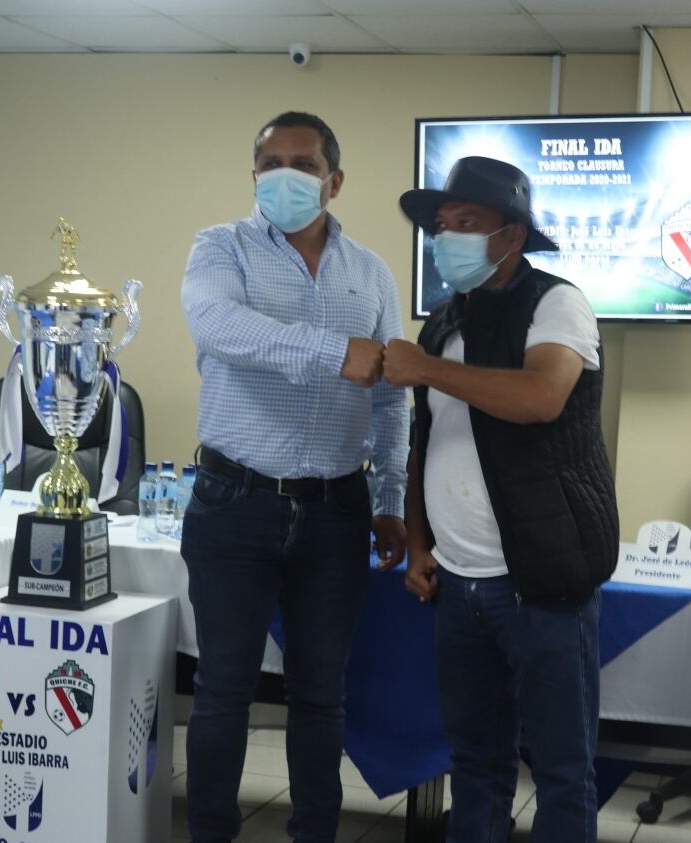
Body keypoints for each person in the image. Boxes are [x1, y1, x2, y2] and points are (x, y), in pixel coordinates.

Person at [179, 111, 408, 843]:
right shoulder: (221, 248)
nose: (284, 176)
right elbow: (218, 327)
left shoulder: (371, 272)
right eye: (270, 163)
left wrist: (391, 498)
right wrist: (332, 351)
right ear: (253, 175)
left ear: (333, 180)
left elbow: (391, 397)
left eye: (302, 164)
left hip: (338, 507)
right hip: (234, 500)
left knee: (321, 695)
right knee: (223, 689)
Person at [383, 156, 618, 843]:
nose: (446, 237)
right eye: (442, 225)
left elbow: (541, 397)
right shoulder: (444, 322)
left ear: (511, 235)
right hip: (458, 587)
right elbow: (427, 442)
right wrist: (419, 544)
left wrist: (427, 369)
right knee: (476, 766)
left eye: (467, 222)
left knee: (562, 773)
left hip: (541, 583)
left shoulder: (556, 304)